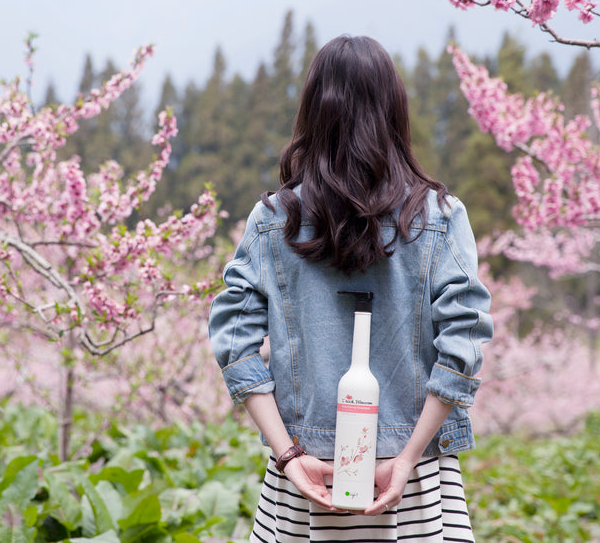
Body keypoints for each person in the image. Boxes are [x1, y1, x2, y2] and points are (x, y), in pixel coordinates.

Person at [208, 35, 493, 542]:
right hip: (416, 483)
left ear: (314, 112)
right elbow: (465, 343)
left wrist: (289, 454)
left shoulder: (273, 219)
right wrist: (405, 457)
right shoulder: (440, 218)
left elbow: (233, 341)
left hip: (306, 478)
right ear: (394, 112)